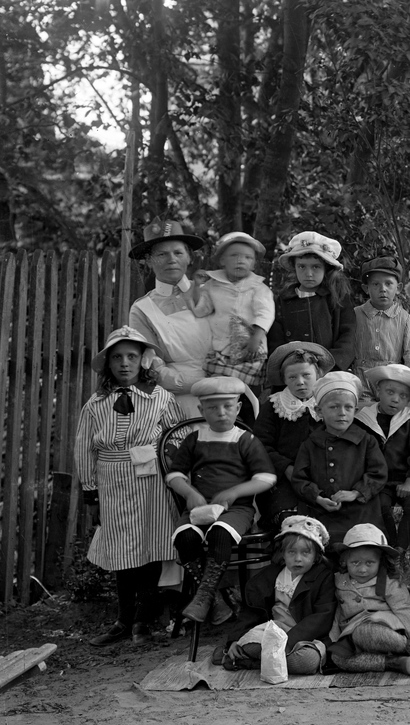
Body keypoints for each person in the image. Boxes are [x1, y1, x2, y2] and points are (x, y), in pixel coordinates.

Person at [75, 327, 186, 646]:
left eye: (132, 357)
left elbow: (178, 436)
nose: (125, 363)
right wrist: (91, 490)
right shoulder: (96, 404)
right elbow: (84, 447)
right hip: (112, 480)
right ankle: (123, 619)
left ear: (142, 360)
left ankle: (143, 620)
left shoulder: (160, 397)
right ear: (108, 363)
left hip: (151, 480)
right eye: (117, 357)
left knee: (150, 545)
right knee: (120, 548)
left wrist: (168, 464)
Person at [166, 377, 276, 624]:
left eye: (228, 406)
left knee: (220, 534)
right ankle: (214, 598)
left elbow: (266, 478)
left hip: (236, 510)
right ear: (201, 410)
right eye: (213, 407)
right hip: (200, 506)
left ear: (238, 408)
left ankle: (205, 595)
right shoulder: (194, 439)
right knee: (185, 538)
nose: (221, 412)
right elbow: (174, 475)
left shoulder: (245, 440)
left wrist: (236, 491)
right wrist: (189, 492)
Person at [218, 515, 335, 675]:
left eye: (305, 553)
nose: (298, 559)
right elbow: (251, 612)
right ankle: (262, 657)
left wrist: (288, 642)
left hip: (306, 637)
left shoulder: (323, 577)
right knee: (248, 645)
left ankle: (251, 662)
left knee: (306, 662)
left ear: (316, 556)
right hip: (274, 631)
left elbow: (322, 617)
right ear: (283, 553)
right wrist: (235, 639)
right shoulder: (269, 576)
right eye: (291, 552)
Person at [126, 217, 213, 415]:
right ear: (148, 260)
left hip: (223, 394)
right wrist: (200, 383)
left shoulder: (212, 293)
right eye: (162, 254)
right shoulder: (142, 309)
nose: (171, 259)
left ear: (189, 257)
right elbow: (153, 366)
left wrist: (221, 380)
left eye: (178, 253)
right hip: (176, 401)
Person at [291, 372, 388, 542]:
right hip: (321, 513)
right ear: (319, 411)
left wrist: (355, 493)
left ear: (355, 411)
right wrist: (318, 498)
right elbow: (299, 478)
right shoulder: (310, 444)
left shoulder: (366, 441)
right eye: (334, 407)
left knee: (360, 545)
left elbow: (378, 473)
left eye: (348, 407)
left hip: (360, 512)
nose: (342, 413)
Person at [327, 523, 410, 674]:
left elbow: (404, 607)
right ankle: (394, 663)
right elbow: (338, 611)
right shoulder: (339, 581)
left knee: (364, 632)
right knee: (337, 657)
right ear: (344, 561)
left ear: (381, 561)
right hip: (351, 632)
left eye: (369, 563)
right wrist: (333, 639)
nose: (362, 569)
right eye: (355, 563)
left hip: (385, 630)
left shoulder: (389, 582)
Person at [252, 341, 333, 530]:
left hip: (322, 476)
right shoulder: (273, 406)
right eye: (292, 377)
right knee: (291, 517)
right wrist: (286, 468)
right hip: (283, 480)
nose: (300, 382)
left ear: (318, 374)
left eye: (306, 375)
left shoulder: (327, 405)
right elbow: (260, 446)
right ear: (284, 379)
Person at [355, 364, 410, 553]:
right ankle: (391, 548)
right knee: (380, 507)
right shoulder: (364, 419)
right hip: (380, 480)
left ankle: (401, 551)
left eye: (403, 396)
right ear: (378, 391)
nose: (395, 399)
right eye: (390, 392)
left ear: (409, 399)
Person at [193, 231, 274, 389]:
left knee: (246, 388)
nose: (240, 261)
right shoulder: (212, 286)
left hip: (249, 346)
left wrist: (256, 339)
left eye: (248, 258)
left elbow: (265, 313)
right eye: (234, 255)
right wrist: (197, 286)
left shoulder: (258, 288)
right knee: (219, 386)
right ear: (222, 260)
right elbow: (201, 310)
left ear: (254, 264)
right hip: (221, 347)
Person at [267, 231, 355, 373]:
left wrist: (331, 366)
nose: (308, 273)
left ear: (326, 268)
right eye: (302, 266)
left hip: (330, 371)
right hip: (294, 373)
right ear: (294, 267)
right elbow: (275, 340)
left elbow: (348, 336)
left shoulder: (337, 298)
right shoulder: (283, 300)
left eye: (316, 267)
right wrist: (288, 365)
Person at [350, 256, 410, 385]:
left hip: (392, 382)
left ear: (398, 288)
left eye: (388, 283)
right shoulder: (355, 315)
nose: (382, 289)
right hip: (360, 382)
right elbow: (346, 348)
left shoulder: (404, 318)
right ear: (366, 288)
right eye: (375, 284)